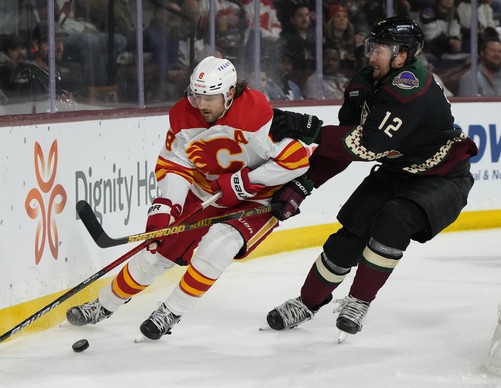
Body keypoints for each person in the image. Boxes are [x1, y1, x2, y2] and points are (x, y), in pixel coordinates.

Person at [65, 56, 321, 340]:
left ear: (229, 94)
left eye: (208, 97)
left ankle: (170, 311)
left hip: (257, 197)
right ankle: (103, 305)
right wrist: (166, 207)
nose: (200, 104)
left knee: (219, 245)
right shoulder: (184, 116)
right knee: (157, 250)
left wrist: (244, 182)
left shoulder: (256, 115)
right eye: (196, 95)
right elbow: (176, 164)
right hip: (207, 190)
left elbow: (297, 161)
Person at [264, 16, 477, 339]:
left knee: (394, 217)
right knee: (347, 239)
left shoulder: (411, 86)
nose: (370, 55)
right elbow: (344, 145)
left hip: (443, 179)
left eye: (379, 50)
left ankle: (359, 301)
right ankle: (307, 303)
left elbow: (368, 145)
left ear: (402, 56)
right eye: (371, 47)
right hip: (396, 172)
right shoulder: (364, 83)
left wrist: (309, 128)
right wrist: (303, 185)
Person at [12, 22, 77, 111]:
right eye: (52, 40)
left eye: (60, 41)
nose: (58, 46)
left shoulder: (62, 73)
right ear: (36, 45)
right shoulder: (28, 75)